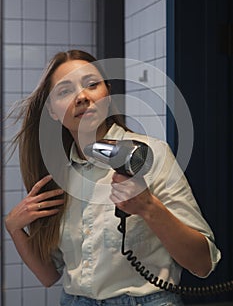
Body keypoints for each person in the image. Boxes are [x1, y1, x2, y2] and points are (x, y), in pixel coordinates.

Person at [5, 50, 221, 306]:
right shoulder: (59, 176)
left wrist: (149, 208)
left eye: (92, 85)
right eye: (65, 91)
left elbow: (202, 263)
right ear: (52, 111)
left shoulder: (151, 155)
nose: (82, 97)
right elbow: (49, 275)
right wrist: (14, 228)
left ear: (107, 94)